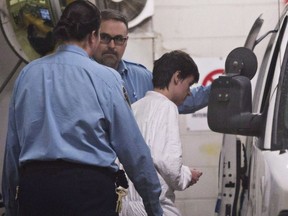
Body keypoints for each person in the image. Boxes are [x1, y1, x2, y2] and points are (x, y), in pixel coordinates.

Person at [1, 1, 163, 216]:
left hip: (36, 192)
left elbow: (12, 148)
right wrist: (153, 206)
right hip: (89, 194)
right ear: (93, 36)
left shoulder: (28, 74)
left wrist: (12, 206)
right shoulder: (106, 78)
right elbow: (133, 150)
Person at [121, 50, 203, 216]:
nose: (189, 93)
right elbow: (167, 162)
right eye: (189, 85)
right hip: (152, 205)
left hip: (127, 205)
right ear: (177, 77)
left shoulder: (136, 107)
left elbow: (151, 154)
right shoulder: (167, 107)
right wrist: (186, 176)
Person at [93, 9, 210, 113]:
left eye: (119, 39)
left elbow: (180, 97)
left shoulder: (141, 77)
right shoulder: (80, 76)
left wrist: (223, 86)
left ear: (126, 41)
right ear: (93, 37)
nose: (112, 45)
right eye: (105, 37)